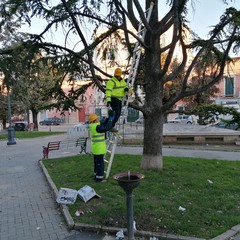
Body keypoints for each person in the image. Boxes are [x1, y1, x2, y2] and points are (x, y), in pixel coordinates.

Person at [88, 111, 114, 182]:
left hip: (96, 149)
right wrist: (111, 119)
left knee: (97, 163)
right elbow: (106, 128)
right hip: (99, 149)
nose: (98, 119)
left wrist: (108, 118)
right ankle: (99, 179)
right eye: (97, 118)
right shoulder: (97, 127)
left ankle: (96, 175)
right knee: (100, 164)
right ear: (95, 120)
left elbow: (103, 123)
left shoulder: (94, 126)